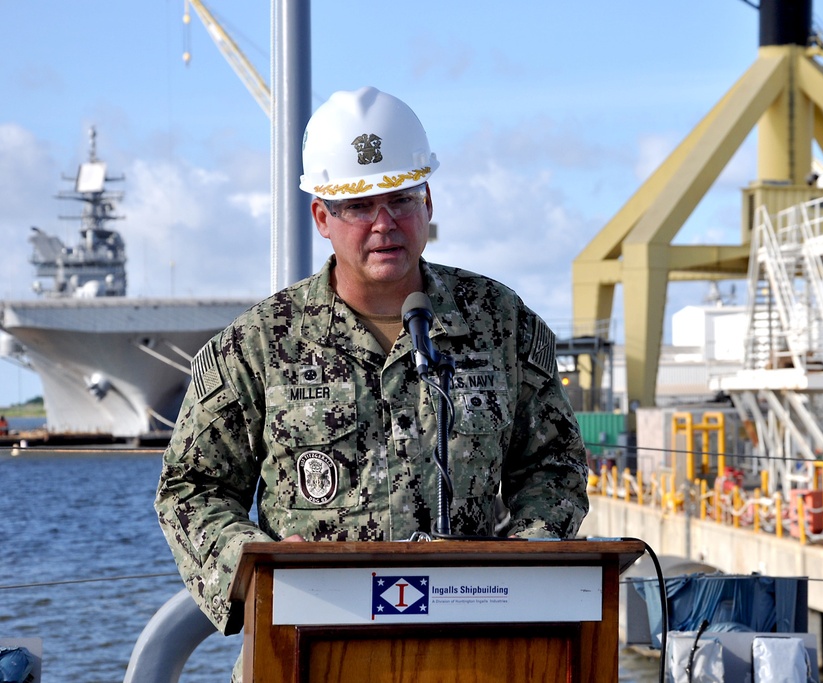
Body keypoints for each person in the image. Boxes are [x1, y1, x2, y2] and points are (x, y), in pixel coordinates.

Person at [154, 86, 590, 677]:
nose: (385, 224)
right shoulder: (260, 343)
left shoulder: (499, 322)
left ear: (428, 202)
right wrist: (260, 568)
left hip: (477, 647)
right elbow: (191, 488)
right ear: (322, 218)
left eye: (402, 199)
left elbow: (554, 464)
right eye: (359, 206)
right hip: (307, 649)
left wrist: (519, 564)